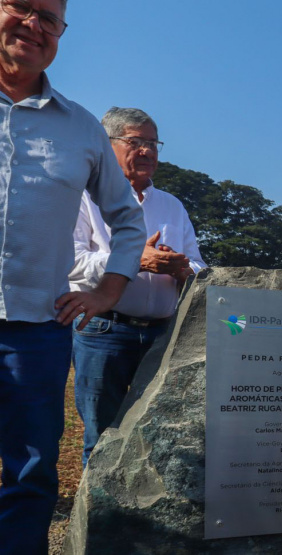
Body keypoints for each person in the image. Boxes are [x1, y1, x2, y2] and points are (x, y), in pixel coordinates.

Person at [0, 2, 147, 553]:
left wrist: (109, 289)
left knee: (31, 474)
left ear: (61, 31)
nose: (35, 25)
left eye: (50, 17)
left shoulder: (82, 128)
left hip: (37, 330)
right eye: (22, 6)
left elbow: (128, 219)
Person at [69, 107, 206, 467]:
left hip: (163, 335)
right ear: (106, 144)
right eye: (135, 142)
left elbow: (198, 265)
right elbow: (73, 263)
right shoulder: (85, 197)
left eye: (152, 143)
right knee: (101, 435)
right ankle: (98, 521)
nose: (146, 151)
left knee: (157, 434)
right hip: (105, 330)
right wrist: (135, 260)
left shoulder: (171, 205)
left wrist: (180, 268)